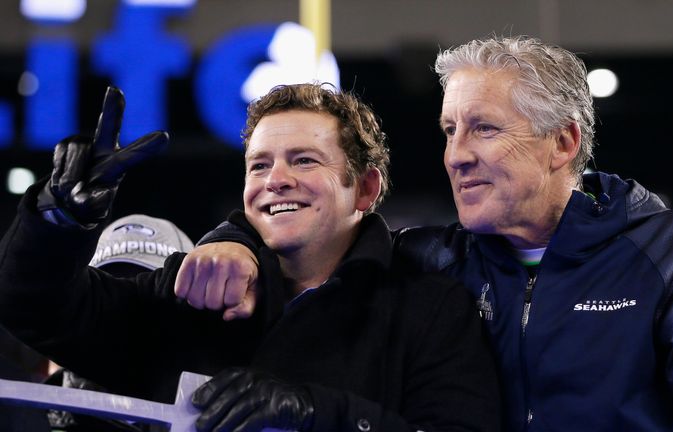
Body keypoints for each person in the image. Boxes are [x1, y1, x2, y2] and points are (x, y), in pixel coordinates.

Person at [181, 36, 673, 431]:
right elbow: (313, 230)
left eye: (482, 129)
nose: (455, 156)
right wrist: (232, 243)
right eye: (449, 129)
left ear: (562, 143)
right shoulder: (431, 258)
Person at [0, 85, 500, 432]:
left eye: (304, 159)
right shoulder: (189, 289)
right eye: (259, 165)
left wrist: (314, 414)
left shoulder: (428, 308)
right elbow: (36, 309)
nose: (275, 179)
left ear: (365, 188)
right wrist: (56, 221)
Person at [46, 213, 194, 432]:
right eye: (108, 293)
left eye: (146, 295)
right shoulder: (26, 414)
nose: (123, 314)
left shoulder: (221, 412)